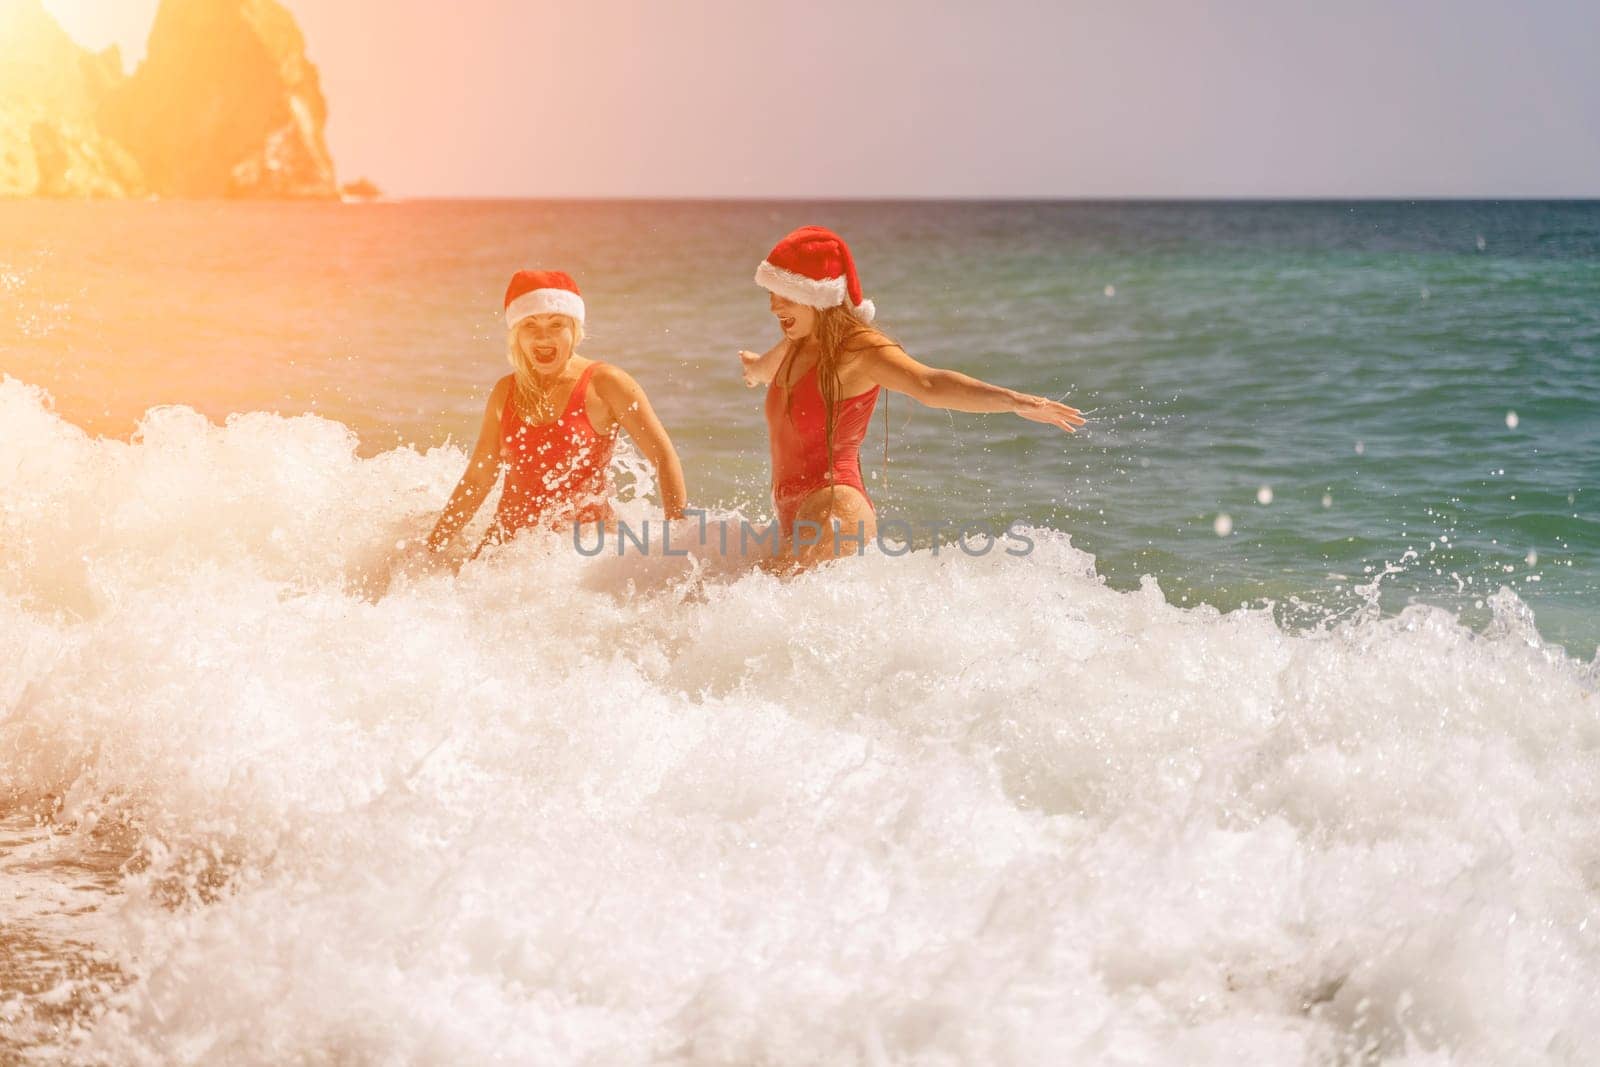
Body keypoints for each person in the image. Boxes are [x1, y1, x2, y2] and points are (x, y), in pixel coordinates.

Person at [740, 226, 1085, 570]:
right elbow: (769, 368)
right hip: (792, 513)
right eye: (771, 293)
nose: (774, 307)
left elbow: (930, 384)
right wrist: (754, 369)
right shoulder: (797, 343)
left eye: (785, 295)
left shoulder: (858, 350)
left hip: (834, 510)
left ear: (816, 296)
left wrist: (1015, 401)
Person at [419, 270, 686, 564]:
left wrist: (676, 544)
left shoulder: (606, 383)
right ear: (516, 335)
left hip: (579, 557)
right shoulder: (505, 391)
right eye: (530, 324)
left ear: (575, 330)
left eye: (556, 324)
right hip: (503, 552)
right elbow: (478, 477)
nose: (543, 335)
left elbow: (663, 457)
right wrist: (433, 546)